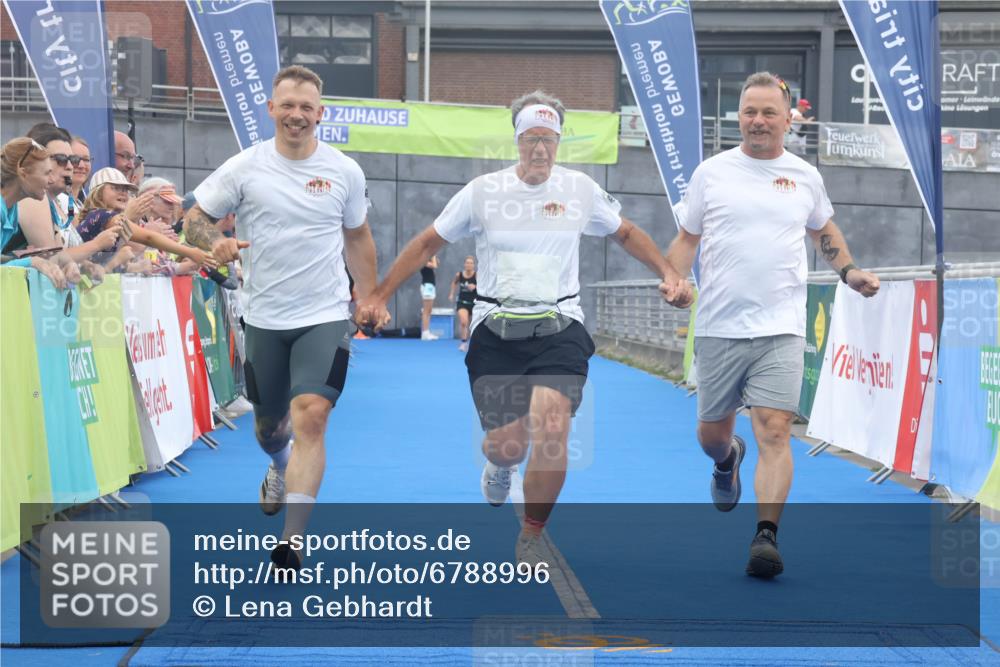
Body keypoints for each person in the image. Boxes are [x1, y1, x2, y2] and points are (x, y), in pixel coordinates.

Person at [356, 90, 687, 564]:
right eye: (531, 138)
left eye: (548, 140)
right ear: (516, 141)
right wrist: (379, 295)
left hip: (561, 326)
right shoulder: (483, 192)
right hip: (496, 329)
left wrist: (668, 273)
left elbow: (626, 232)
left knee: (552, 427)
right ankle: (499, 462)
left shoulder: (580, 189)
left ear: (558, 142)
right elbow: (428, 240)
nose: (539, 149)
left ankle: (533, 534)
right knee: (509, 445)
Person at [662, 72, 880, 578]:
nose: (757, 121)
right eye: (749, 113)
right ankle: (725, 460)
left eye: (767, 112)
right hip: (719, 325)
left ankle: (766, 537)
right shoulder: (711, 173)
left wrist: (848, 271)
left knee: (777, 429)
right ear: (739, 117)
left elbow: (823, 227)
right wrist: (674, 279)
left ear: (787, 118)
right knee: (711, 434)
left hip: (781, 324)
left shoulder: (804, 175)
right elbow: (688, 238)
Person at [182, 65, 378, 571]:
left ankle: (293, 539)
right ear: (271, 109)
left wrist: (369, 296)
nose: (296, 115)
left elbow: (357, 236)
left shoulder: (344, 171)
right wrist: (214, 243)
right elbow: (195, 219)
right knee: (270, 429)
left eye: (306, 107)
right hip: (264, 316)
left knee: (312, 415)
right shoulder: (244, 168)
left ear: (320, 114)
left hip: (325, 314)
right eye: (287, 105)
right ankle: (278, 464)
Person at [17, 124, 114, 280]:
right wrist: (96, 245)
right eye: (61, 159)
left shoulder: (51, 203)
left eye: (72, 159)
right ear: (37, 160)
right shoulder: (32, 200)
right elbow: (51, 258)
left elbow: (58, 256)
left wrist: (84, 265)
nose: (70, 166)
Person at [76, 168, 215, 273]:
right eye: (115, 188)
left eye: (125, 189)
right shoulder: (103, 216)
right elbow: (148, 237)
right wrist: (190, 252)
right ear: (98, 192)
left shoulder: (97, 215)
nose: (123, 193)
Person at [1, 137, 78, 287]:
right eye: (46, 173)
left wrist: (25, 258)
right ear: (23, 174)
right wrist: (31, 261)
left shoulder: (12, 209)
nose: (51, 180)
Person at [448, 255, 478, 350]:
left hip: (474, 303)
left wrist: (476, 286)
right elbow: (454, 283)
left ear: (474, 265)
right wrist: (451, 294)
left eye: (471, 263)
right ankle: (464, 343)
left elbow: (484, 286)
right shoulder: (459, 275)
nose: (469, 265)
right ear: (464, 264)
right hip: (462, 302)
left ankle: (473, 343)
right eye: (467, 263)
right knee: (464, 322)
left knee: (473, 325)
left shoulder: (477, 275)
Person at [419, 255, 439, 340]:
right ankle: (425, 333)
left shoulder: (427, 261)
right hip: (427, 286)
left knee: (428, 311)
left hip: (430, 286)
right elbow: (435, 265)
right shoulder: (423, 261)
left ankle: (426, 332)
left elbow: (436, 263)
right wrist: (433, 256)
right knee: (426, 311)